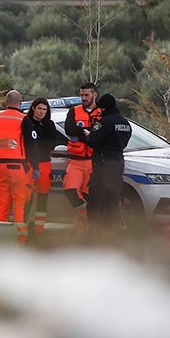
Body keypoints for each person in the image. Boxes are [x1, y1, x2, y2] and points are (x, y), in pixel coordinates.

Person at [0, 89, 31, 245]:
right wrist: (32, 166)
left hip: (1, 167)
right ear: (20, 102)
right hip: (18, 167)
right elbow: (31, 145)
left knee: (2, 203)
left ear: (6, 102)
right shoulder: (23, 119)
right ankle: (21, 240)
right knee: (19, 204)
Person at [84, 92, 132, 233]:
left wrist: (89, 135)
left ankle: (94, 232)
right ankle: (113, 232)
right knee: (113, 200)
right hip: (118, 164)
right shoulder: (125, 122)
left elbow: (93, 141)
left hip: (104, 164)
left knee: (95, 200)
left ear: (103, 108)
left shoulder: (104, 122)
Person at [22, 97, 68, 236]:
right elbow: (26, 143)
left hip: (44, 164)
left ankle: (39, 230)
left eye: (44, 109)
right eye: (39, 109)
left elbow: (51, 144)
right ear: (33, 108)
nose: (41, 112)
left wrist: (36, 145)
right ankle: (24, 227)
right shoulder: (26, 122)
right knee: (26, 198)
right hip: (28, 164)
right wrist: (36, 145)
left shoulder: (49, 124)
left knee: (42, 198)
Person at [62, 82, 101, 234]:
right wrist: (88, 133)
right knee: (70, 190)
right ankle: (84, 216)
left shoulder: (101, 112)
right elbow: (69, 128)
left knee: (87, 196)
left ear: (94, 95)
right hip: (76, 160)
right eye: (81, 95)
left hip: (93, 161)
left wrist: (83, 133)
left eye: (86, 95)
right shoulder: (74, 111)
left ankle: (81, 231)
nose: (83, 98)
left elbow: (101, 133)